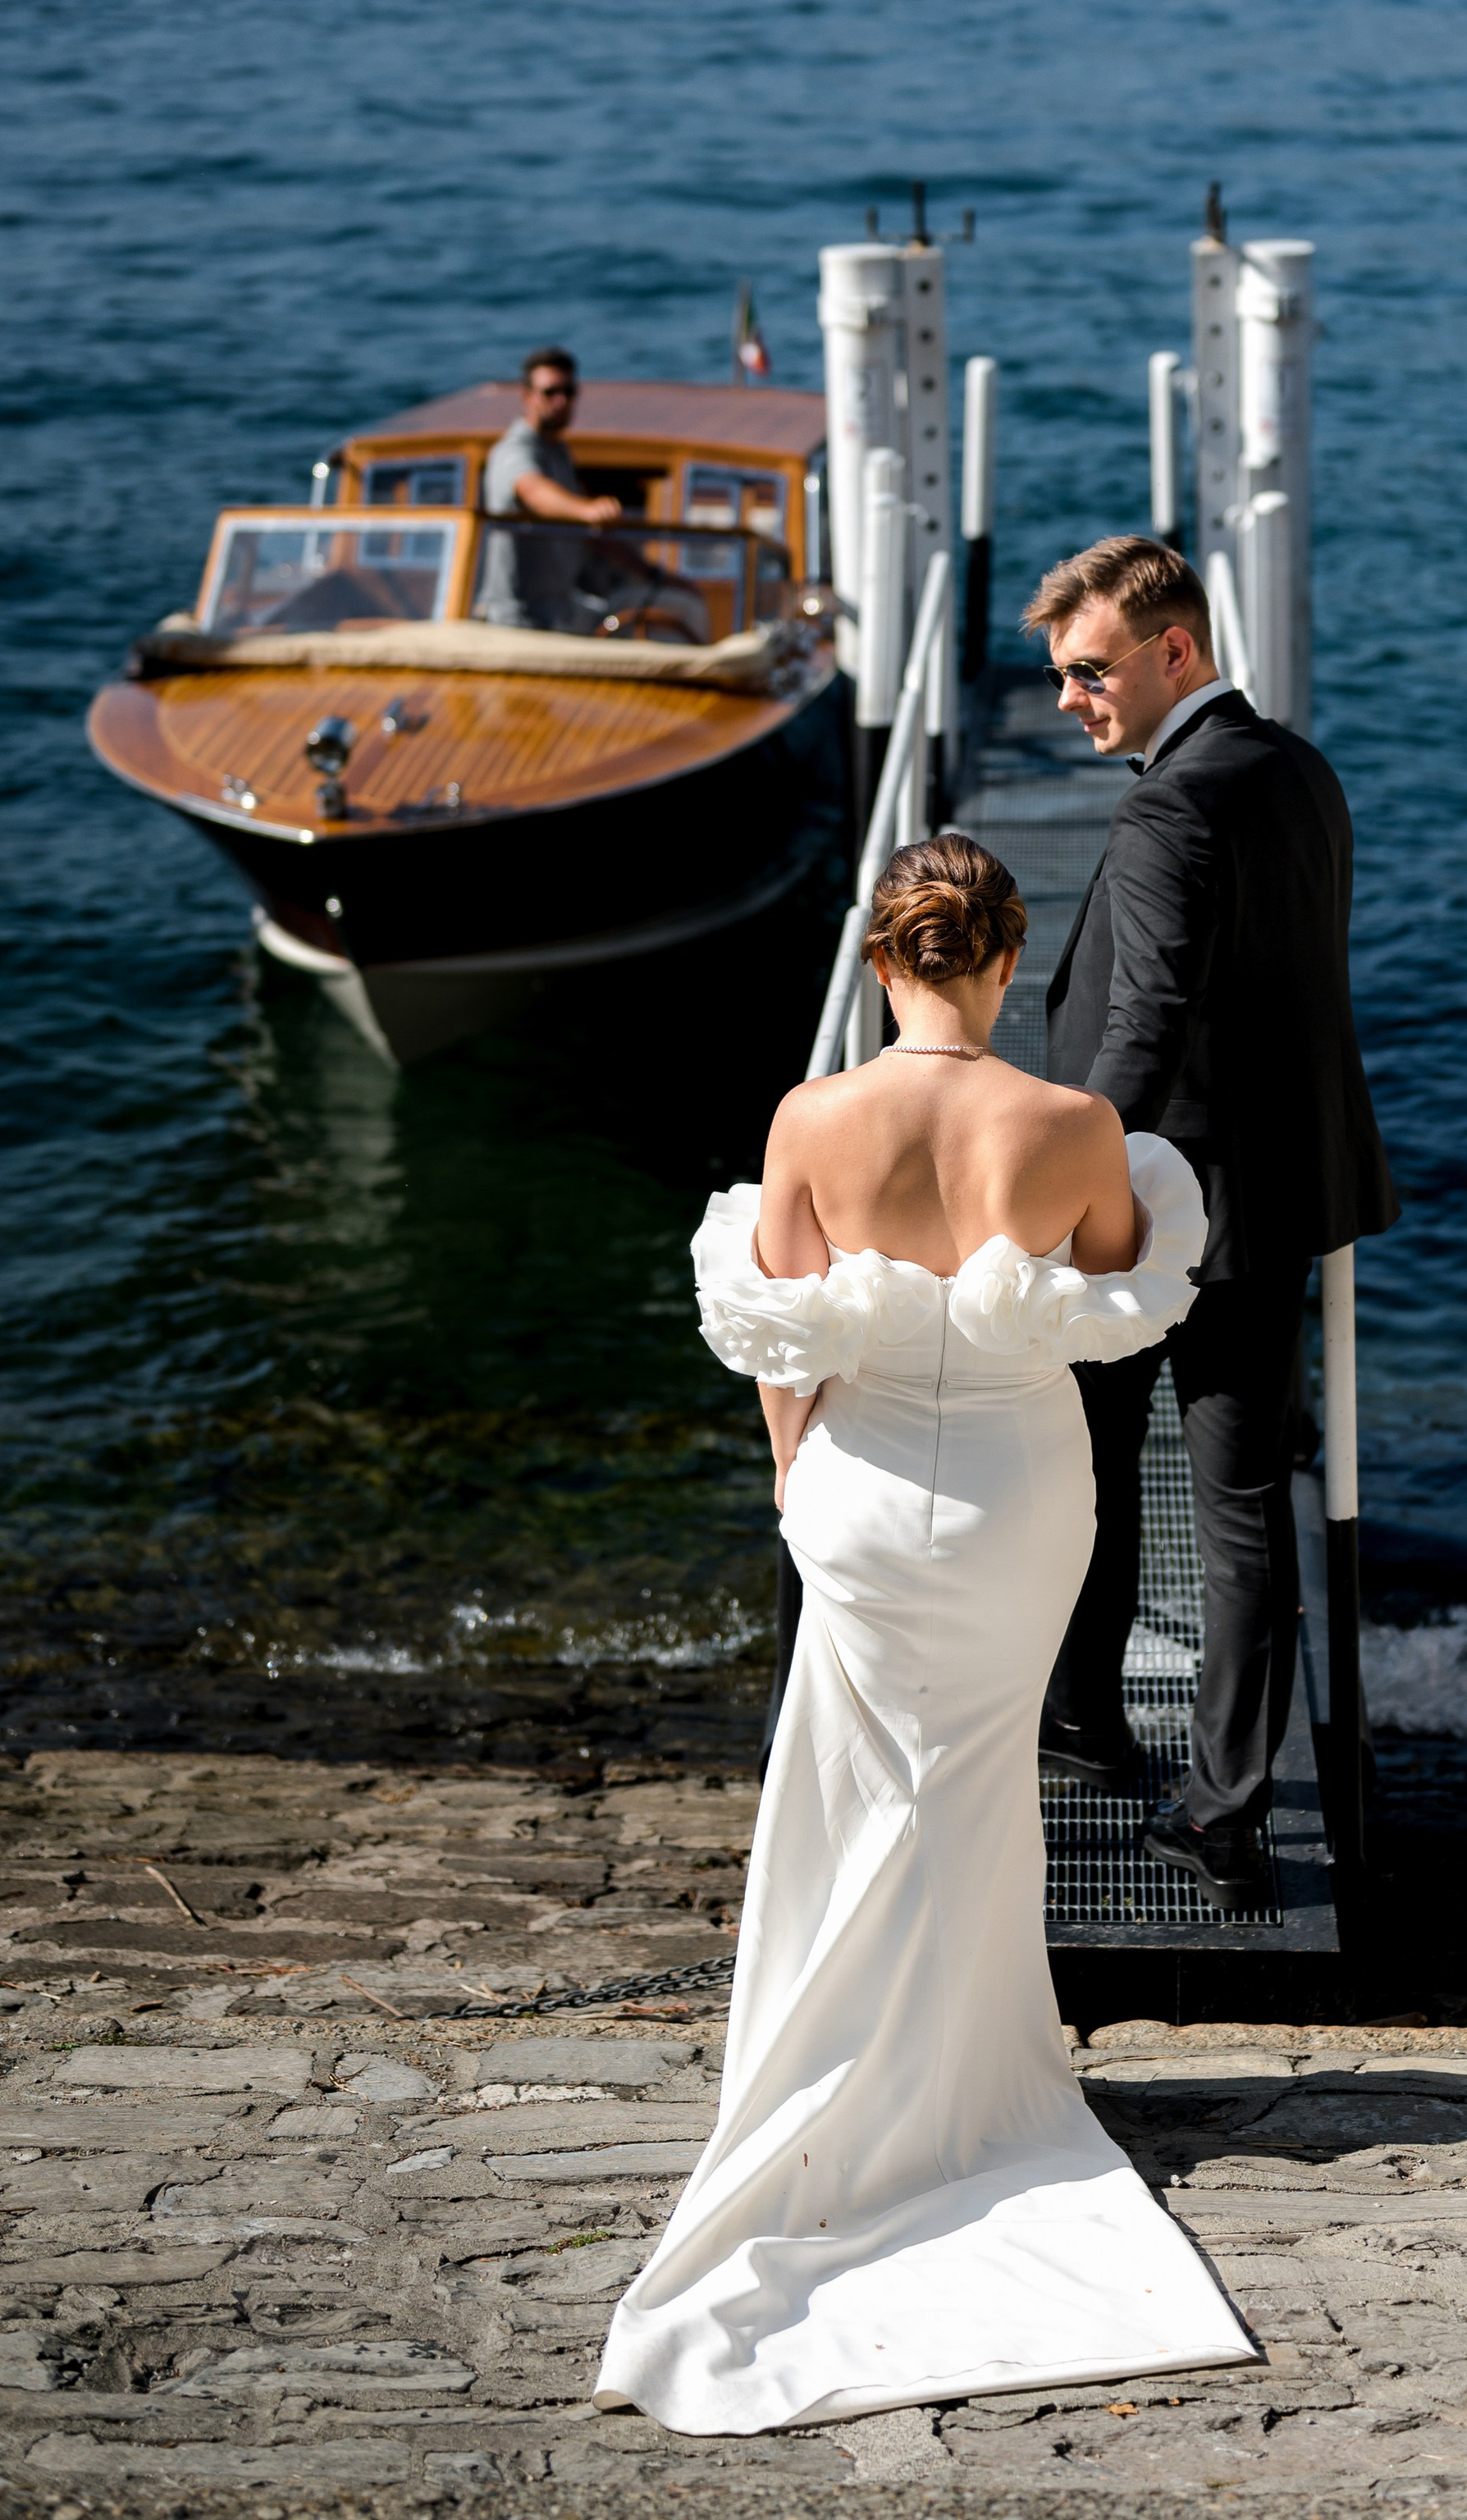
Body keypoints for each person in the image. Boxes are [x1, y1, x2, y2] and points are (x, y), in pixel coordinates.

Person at [596, 836, 1254, 2431]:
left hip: (863, 1494)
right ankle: (968, 2089)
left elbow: (775, 1333)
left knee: (859, 1787)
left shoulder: (812, 1118)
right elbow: (1108, 1300)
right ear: (1005, 961)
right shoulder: (1075, 1123)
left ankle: (843, 2085)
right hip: (1026, 1499)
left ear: (884, 956)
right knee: (971, 1784)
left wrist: (793, 1481)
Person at [1029, 535, 1398, 1909]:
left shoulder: (1165, 811)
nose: (1069, 698)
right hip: (1280, 1189)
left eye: (1087, 670)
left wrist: (1063, 1188)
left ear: (1172, 649)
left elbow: (1146, 1022)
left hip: (1158, 1211)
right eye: (1057, 674)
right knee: (1238, 1508)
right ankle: (1224, 1804)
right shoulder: (1299, 766)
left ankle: (1092, 1720)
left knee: (1090, 1462)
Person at [474, 345, 624, 630]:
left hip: (559, 612)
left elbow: (590, 536)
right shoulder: (513, 450)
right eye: (550, 392)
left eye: (568, 393)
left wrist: (651, 573)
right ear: (526, 397)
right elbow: (531, 490)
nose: (560, 401)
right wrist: (587, 509)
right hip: (516, 620)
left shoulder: (559, 453)